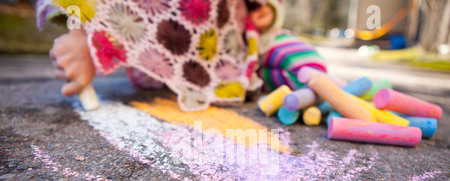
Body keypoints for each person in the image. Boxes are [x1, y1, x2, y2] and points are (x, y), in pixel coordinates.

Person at [38, 0, 326, 111]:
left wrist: (268, 8)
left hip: (236, 49)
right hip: (153, 56)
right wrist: (80, 33)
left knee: (302, 65)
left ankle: (324, 87)